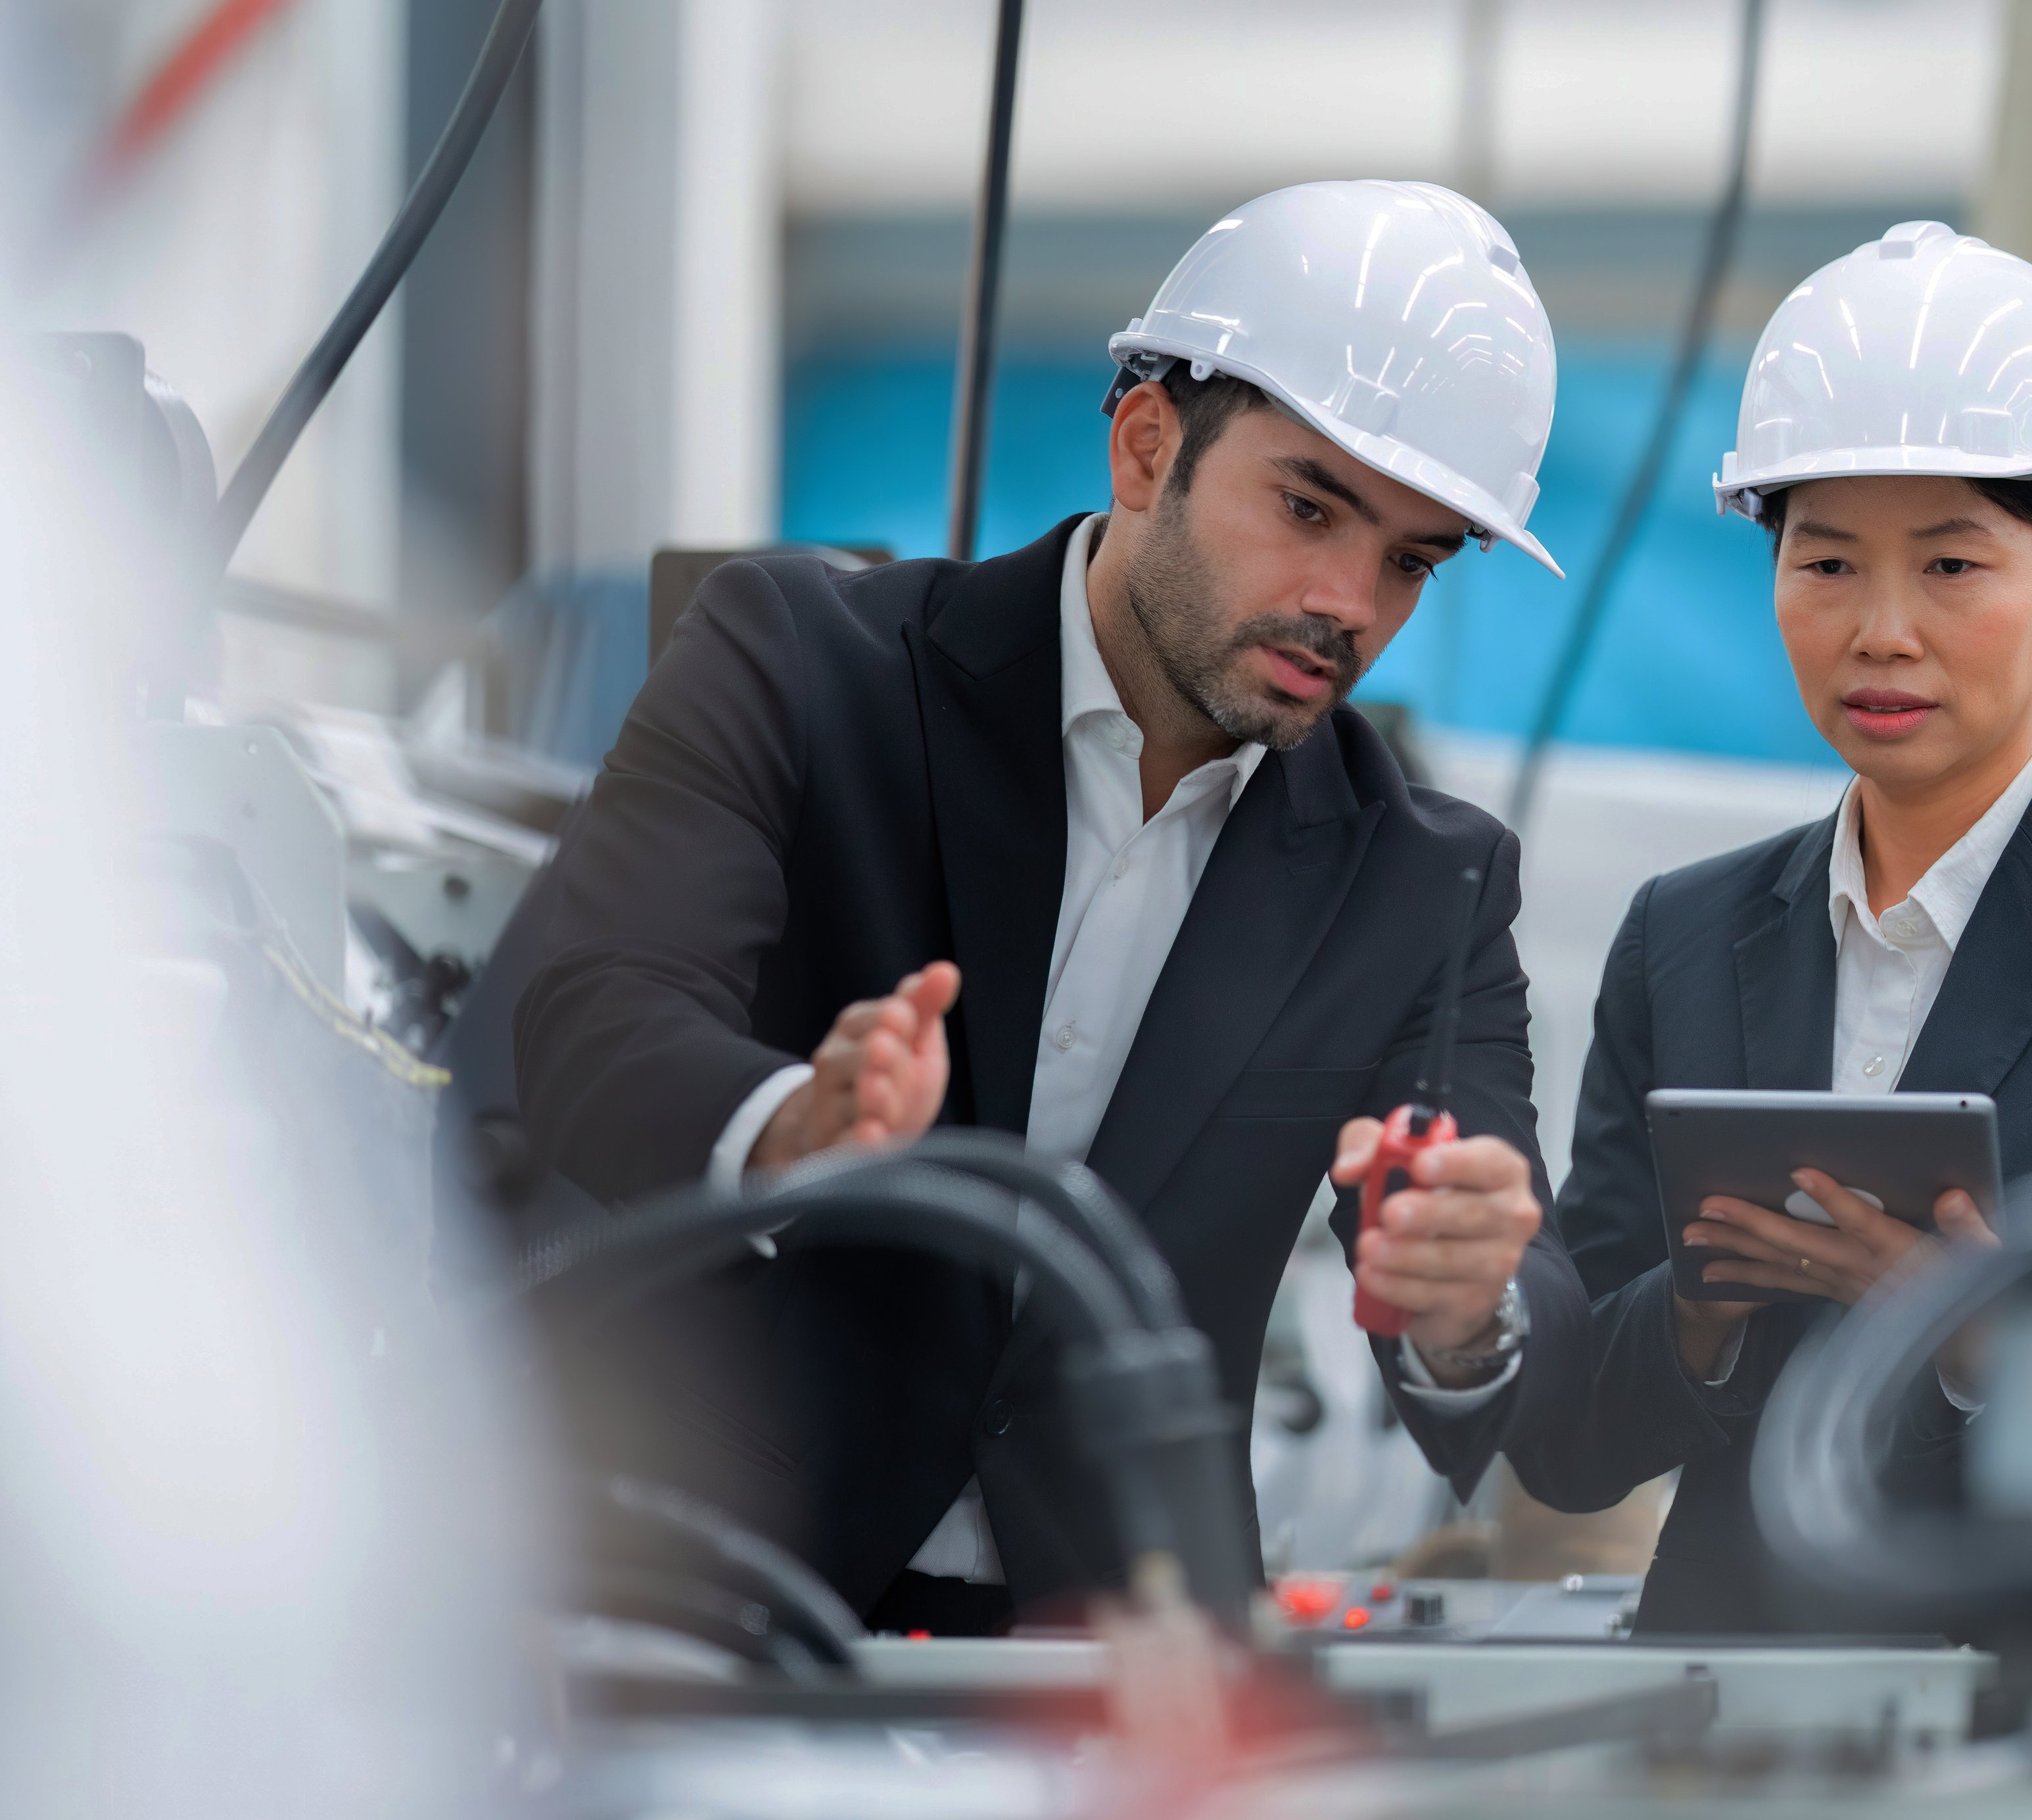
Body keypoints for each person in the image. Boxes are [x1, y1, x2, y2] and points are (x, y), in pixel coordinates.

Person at [509, 181, 1588, 1635]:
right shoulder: (800, 668)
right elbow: (593, 1014)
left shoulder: (1421, 881)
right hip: (712, 1606)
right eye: (1306, 506)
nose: (1348, 598)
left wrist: (1468, 1297)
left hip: (1120, 1667)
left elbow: (1518, 1289)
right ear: (1148, 445)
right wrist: (789, 1134)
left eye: (1409, 559)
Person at [1504, 221, 2032, 1633]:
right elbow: (1565, 1437)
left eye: (1952, 567)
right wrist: (1701, 1309)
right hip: (1732, 1720)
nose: (1879, 630)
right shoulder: (1682, 935)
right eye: (1827, 564)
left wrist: (1981, 1326)